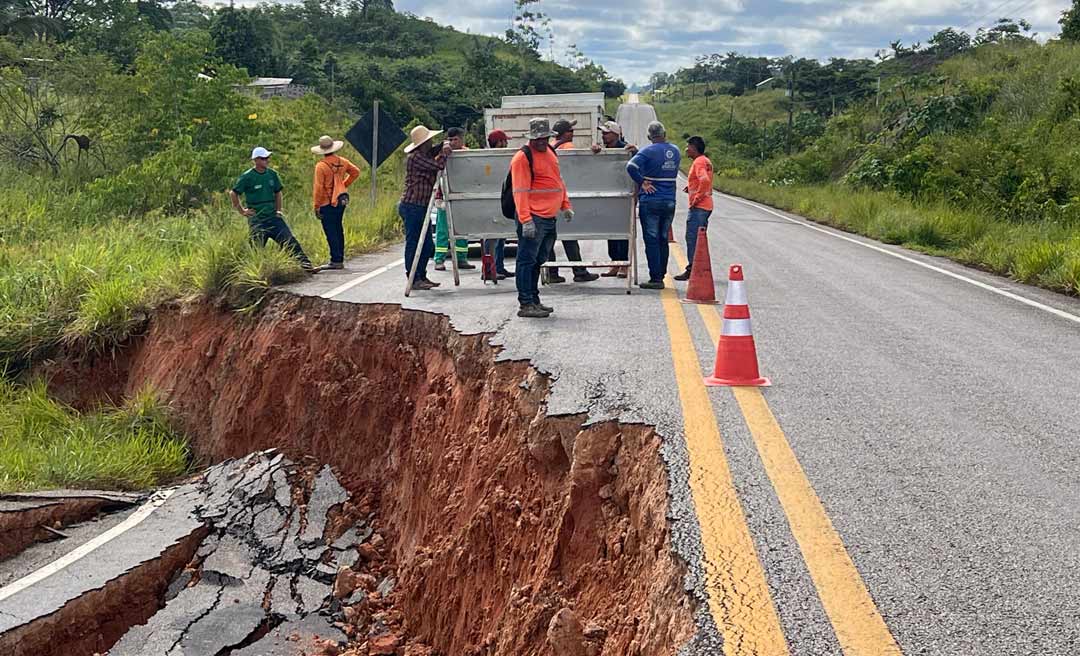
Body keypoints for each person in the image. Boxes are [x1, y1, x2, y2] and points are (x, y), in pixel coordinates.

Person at [511, 118, 573, 318]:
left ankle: (534, 299)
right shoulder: (522, 158)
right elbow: (519, 191)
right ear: (531, 137)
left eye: (544, 138)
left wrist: (565, 205)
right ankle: (526, 303)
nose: (540, 142)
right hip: (534, 217)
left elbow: (558, 181)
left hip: (549, 217)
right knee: (526, 260)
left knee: (538, 260)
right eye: (537, 138)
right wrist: (525, 219)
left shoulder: (550, 152)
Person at [230, 146, 315, 273]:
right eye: (264, 158)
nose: (267, 160)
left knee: (289, 240)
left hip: (273, 216)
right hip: (257, 218)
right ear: (256, 160)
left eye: (267, 158)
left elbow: (278, 192)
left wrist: (278, 210)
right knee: (256, 249)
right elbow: (234, 193)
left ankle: (306, 266)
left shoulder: (272, 174)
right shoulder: (247, 177)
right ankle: (252, 275)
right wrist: (242, 211)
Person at [626, 120, 680, 289]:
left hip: (651, 200)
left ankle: (655, 278)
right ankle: (662, 273)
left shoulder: (648, 151)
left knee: (651, 239)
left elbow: (631, 166)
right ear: (664, 134)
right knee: (663, 238)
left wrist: (642, 182)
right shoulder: (676, 151)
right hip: (670, 200)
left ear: (649, 136)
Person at [543, 119, 598, 284]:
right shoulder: (567, 148)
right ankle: (579, 271)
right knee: (570, 235)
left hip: (549, 199)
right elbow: (581, 166)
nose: (573, 134)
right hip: (565, 196)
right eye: (570, 131)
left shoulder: (549, 147)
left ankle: (552, 273)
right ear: (563, 134)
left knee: (549, 238)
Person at [399, 125, 451, 291]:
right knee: (414, 243)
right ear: (423, 143)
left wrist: (443, 146)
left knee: (427, 245)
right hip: (412, 205)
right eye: (428, 141)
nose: (431, 143)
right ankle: (413, 278)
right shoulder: (415, 158)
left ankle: (421, 275)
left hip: (422, 206)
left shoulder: (423, 154)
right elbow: (437, 166)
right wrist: (444, 153)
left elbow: (433, 153)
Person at [593, 121, 638, 278]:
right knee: (610, 231)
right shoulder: (603, 151)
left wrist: (635, 152)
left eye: (606, 133)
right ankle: (614, 262)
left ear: (615, 134)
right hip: (608, 196)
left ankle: (624, 264)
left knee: (623, 232)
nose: (603, 136)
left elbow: (638, 165)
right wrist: (595, 153)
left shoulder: (626, 149)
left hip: (623, 196)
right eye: (603, 133)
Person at [310, 135, 361, 271]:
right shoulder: (342, 161)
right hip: (341, 199)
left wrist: (316, 206)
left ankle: (335, 260)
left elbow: (318, 188)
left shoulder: (321, 166)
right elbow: (356, 172)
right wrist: (343, 185)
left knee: (330, 230)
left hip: (327, 203)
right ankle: (339, 258)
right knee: (338, 228)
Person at [433, 127, 475, 271]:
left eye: (455, 139)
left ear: (461, 139)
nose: (452, 142)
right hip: (444, 197)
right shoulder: (442, 154)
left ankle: (461, 258)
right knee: (443, 230)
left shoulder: (466, 154)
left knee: (462, 230)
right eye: (450, 139)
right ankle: (439, 259)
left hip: (462, 197)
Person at [675, 135, 714, 281]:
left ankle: (693, 268)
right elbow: (702, 181)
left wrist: (696, 198)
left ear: (694, 148)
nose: (686, 149)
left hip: (699, 207)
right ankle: (699, 268)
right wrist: (691, 187)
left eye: (688, 146)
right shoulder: (705, 161)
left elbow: (704, 180)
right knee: (700, 239)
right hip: (706, 206)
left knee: (692, 238)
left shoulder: (698, 162)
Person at [484, 129, 513, 279]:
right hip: (491, 201)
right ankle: (489, 270)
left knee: (501, 237)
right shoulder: (488, 158)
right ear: (499, 142)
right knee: (491, 237)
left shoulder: (502, 158)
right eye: (505, 141)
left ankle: (499, 268)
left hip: (501, 200)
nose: (507, 143)